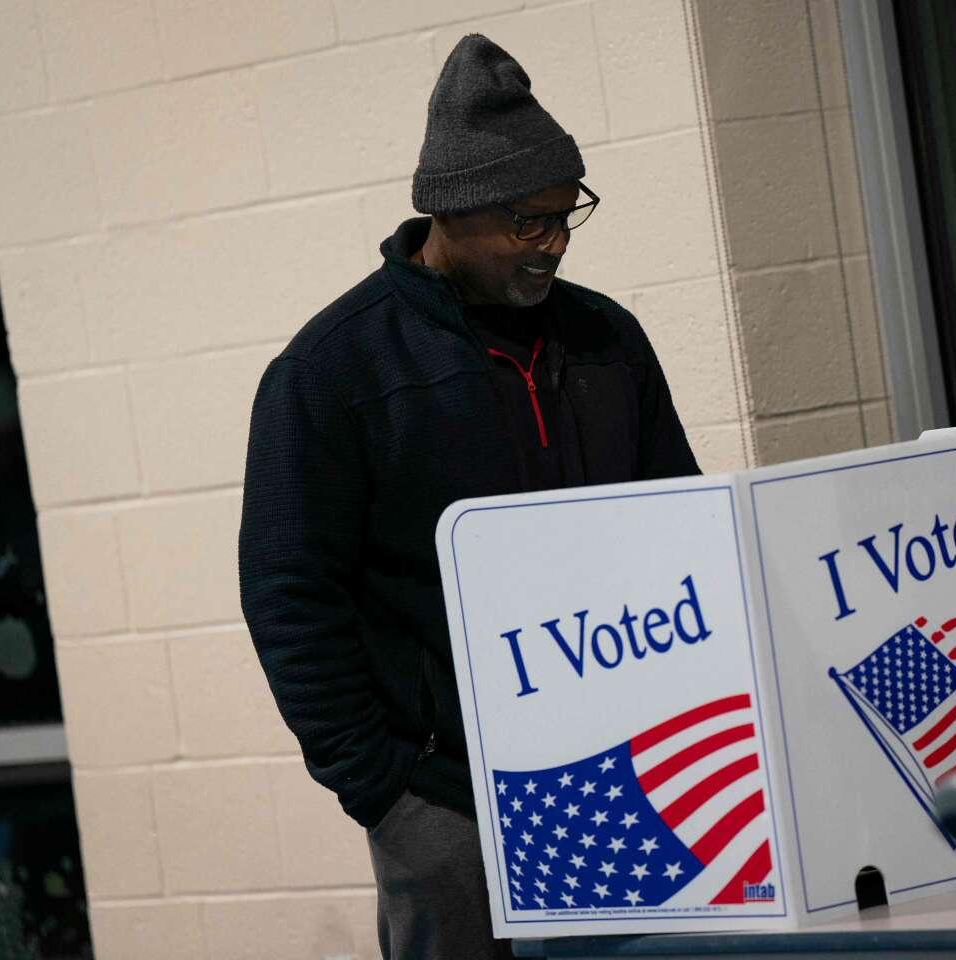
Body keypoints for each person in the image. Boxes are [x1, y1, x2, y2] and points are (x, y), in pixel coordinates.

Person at [238, 33, 699, 960]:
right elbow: (289, 592)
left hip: (627, 773)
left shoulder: (610, 341)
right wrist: (382, 786)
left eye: (567, 216)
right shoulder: (335, 372)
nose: (554, 244)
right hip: (444, 800)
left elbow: (679, 526)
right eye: (528, 223)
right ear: (450, 211)